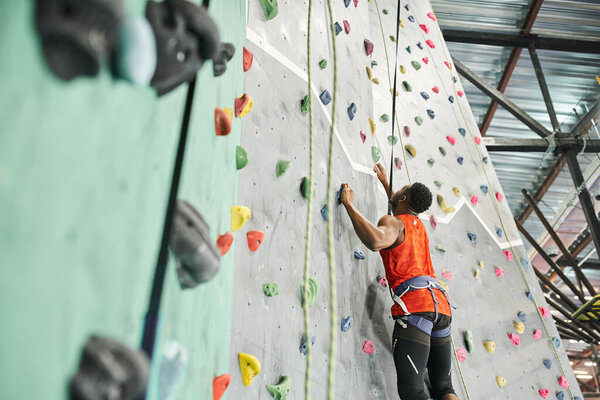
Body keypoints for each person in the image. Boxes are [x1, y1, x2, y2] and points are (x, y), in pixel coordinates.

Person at [339, 163, 458, 400]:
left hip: (416, 308)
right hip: (440, 307)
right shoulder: (419, 227)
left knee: (413, 392)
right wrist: (386, 183)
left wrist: (348, 204)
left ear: (403, 198)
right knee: (443, 385)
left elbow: (376, 240)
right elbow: (400, 206)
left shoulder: (394, 222)